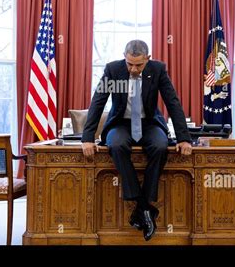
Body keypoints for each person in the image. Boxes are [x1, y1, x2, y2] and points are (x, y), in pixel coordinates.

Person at [81, 40, 192, 241]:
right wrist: (88, 138)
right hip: (120, 124)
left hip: (149, 123)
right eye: (129, 63)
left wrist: (184, 138)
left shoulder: (158, 70)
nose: (133, 69)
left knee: (161, 146)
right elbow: (98, 101)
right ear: (125, 57)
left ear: (147, 59)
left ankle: (141, 209)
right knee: (115, 144)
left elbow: (172, 102)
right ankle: (146, 209)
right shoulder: (113, 70)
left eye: (138, 65)